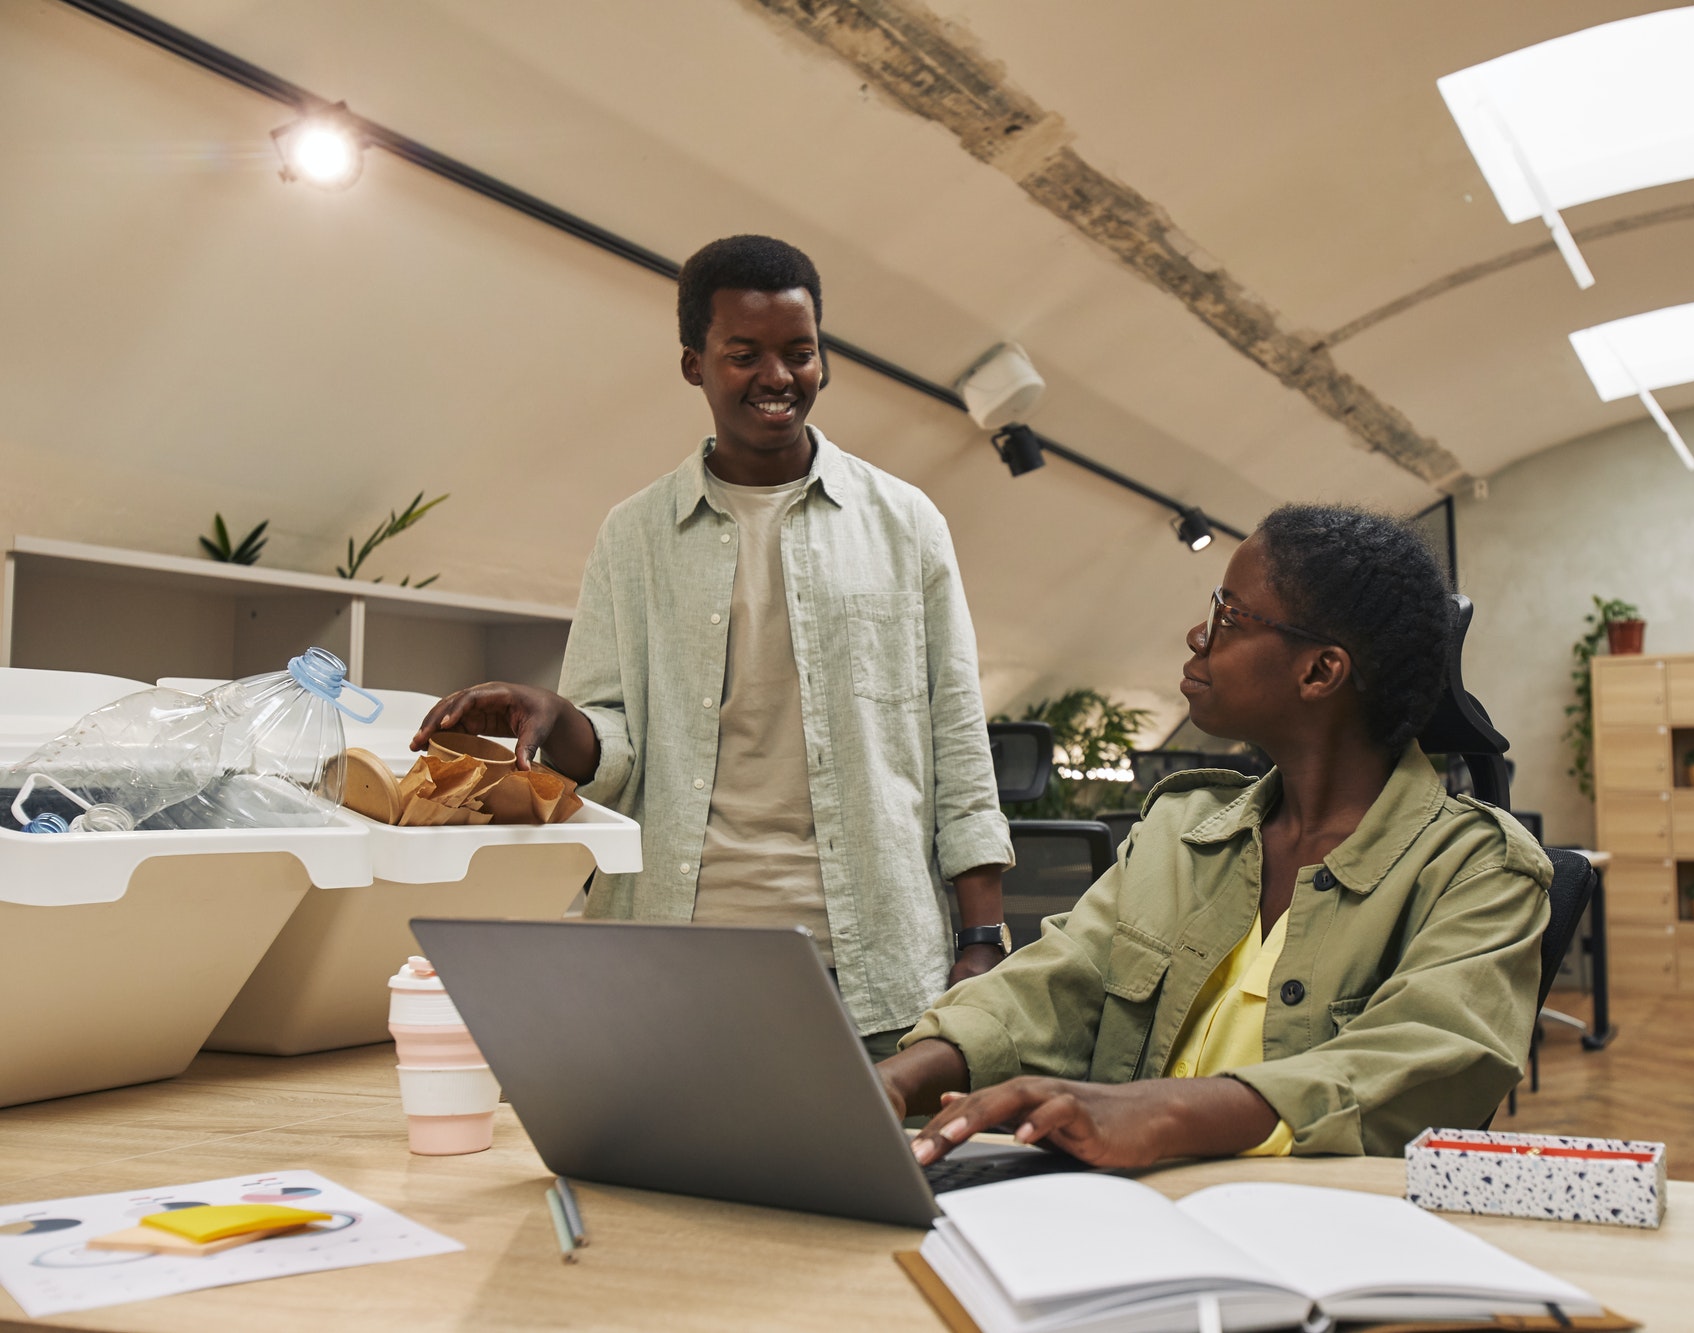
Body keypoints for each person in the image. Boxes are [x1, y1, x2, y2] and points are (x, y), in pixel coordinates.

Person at [413, 235, 1013, 1057]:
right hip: (677, 950)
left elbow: (957, 737)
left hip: (874, 965)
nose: (778, 376)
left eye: (800, 352)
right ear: (695, 364)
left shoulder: (905, 523)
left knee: (863, 1181)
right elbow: (616, 750)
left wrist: (983, 937)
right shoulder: (634, 536)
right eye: (745, 354)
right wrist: (554, 716)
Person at [876, 504, 1551, 1165]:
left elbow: (1424, 1057)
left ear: (1319, 671)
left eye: (1228, 616)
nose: (1199, 636)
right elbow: (1055, 986)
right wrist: (897, 1078)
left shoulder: (1477, 870)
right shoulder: (1181, 828)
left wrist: (1161, 1112)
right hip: (1129, 1210)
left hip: (1315, 1234)